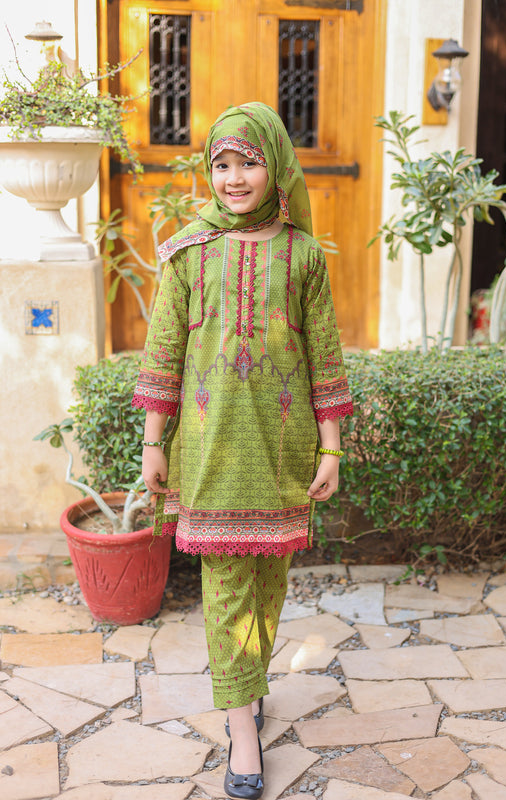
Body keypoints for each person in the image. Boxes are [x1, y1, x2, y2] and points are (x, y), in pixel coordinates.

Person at [133, 101, 353, 800]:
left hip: (283, 451)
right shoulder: (188, 253)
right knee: (226, 590)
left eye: (247, 163)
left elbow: (324, 358)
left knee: (268, 588)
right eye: (220, 165)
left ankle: (246, 689)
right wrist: (152, 443)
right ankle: (244, 731)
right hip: (210, 453)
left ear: (276, 166)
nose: (232, 179)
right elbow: (163, 352)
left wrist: (331, 448)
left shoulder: (303, 256)